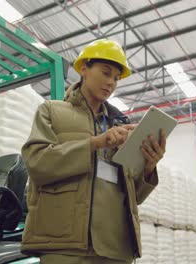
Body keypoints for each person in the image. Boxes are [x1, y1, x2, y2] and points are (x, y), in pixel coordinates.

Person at [21, 39, 166, 264]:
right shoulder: (52, 111)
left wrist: (148, 167)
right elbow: (37, 163)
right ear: (83, 69)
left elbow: (134, 197)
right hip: (66, 247)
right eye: (106, 73)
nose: (111, 82)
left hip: (117, 248)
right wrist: (95, 143)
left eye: (116, 78)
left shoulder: (120, 127)